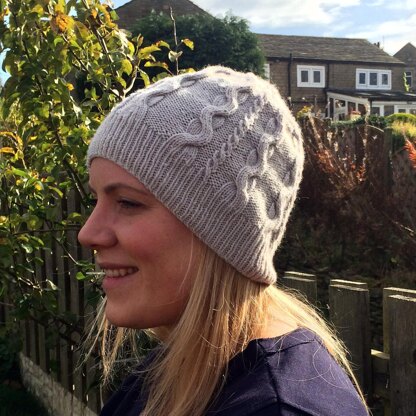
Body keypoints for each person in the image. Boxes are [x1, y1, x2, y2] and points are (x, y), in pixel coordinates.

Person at [78, 66, 369, 416]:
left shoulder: (278, 408)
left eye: (127, 202)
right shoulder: (176, 370)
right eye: (96, 199)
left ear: (222, 233)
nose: (88, 234)